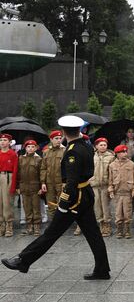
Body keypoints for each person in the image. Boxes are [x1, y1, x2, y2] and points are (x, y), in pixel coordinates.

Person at [1, 115, 110, 280]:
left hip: (75, 198)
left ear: (64, 132)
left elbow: (72, 181)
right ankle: (102, 270)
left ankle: (23, 260)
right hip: (85, 192)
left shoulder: (73, 151)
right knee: (93, 234)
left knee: (51, 232)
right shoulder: (86, 145)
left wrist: (64, 203)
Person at [108, 145, 134, 238]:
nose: (125, 154)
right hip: (117, 192)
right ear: (117, 154)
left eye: (125, 152)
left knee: (127, 212)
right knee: (118, 213)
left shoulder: (131, 164)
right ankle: (119, 230)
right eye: (122, 152)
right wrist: (111, 190)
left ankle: (127, 230)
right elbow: (110, 179)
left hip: (127, 192)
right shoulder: (112, 165)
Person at [89, 137, 115, 237]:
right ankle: (100, 223)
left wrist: (111, 185)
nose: (103, 146)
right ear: (96, 146)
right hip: (94, 184)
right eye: (101, 145)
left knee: (105, 206)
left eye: (105, 145)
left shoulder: (111, 156)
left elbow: (112, 172)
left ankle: (107, 224)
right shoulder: (92, 156)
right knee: (97, 205)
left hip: (105, 185)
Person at [17, 139, 42, 236]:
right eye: (28, 147)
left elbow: (41, 174)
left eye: (33, 147)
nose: (30, 148)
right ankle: (29, 226)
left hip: (35, 186)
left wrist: (41, 186)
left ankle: (36, 226)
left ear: (36, 148)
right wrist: (18, 186)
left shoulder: (39, 159)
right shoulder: (21, 159)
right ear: (25, 148)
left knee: (36, 207)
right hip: (24, 186)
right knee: (26, 207)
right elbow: (18, 173)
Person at [40, 130, 65, 221]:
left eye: (60, 138)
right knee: (51, 203)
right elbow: (43, 168)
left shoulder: (65, 151)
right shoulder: (46, 152)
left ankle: (62, 222)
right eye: (56, 138)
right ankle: (53, 223)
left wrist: (66, 181)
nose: (59, 140)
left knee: (62, 203)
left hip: (61, 182)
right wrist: (43, 182)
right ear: (51, 139)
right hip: (49, 182)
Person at [0, 133, 18, 237]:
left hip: (8, 177)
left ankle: (9, 225)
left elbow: (15, 170)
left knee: (7, 202)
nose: (2, 142)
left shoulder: (12, 154)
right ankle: (1, 224)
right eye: (1, 140)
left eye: (5, 140)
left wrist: (13, 185)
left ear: (9, 142)